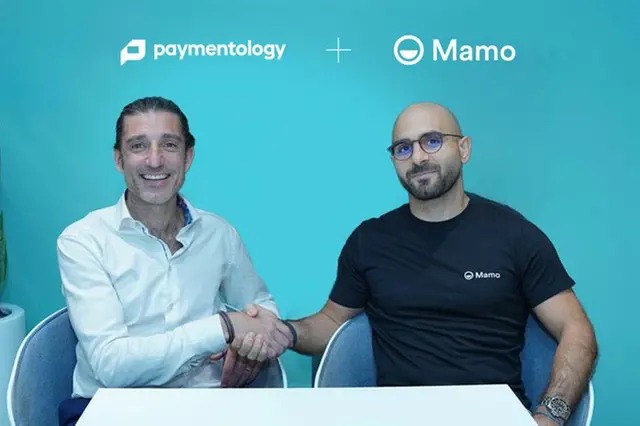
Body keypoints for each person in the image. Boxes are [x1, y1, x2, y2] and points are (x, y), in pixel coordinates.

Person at [232, 102, 598, 425]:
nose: (418, 157)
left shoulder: (514, 235)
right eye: (403, 148)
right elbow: (330, 322)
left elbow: (576, 329)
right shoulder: (371, 240)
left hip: (492, 416)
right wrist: (285, 332)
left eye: (432, 141)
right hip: (397, 417)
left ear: (464, 148)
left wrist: (550, 415)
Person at [55, 96, 293, 426]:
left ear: (188, 156)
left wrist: (250, 342)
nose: (155, 160)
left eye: (169, 145)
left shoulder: (219, 234)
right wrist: (223, 328)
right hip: (111, 409)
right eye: (138, 146)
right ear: (119, 159)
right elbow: (112, 366)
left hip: (207, 406)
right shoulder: (83, 240)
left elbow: (261, 308)